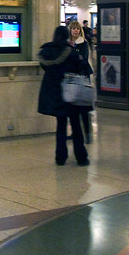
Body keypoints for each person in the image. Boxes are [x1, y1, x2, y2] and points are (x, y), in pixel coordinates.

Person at [37, 25, 90, 167]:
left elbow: (45, 68)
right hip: (70, 92)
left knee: (60, 125)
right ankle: (81, 157)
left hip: (55, 95)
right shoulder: (70, 51)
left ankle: (60, 157)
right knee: (75, 125)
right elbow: (81, 67)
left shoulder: (47, 51)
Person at [68, 20, 94, 143]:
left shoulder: (83, 43)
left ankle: (88, 133)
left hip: (83, 76)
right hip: (72, 77)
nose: (76, 31)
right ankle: (75, 132)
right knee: (73, 106)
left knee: (84, 106)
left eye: (78, 29)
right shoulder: (68, 43)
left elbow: (83, 59)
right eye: (73, 28)